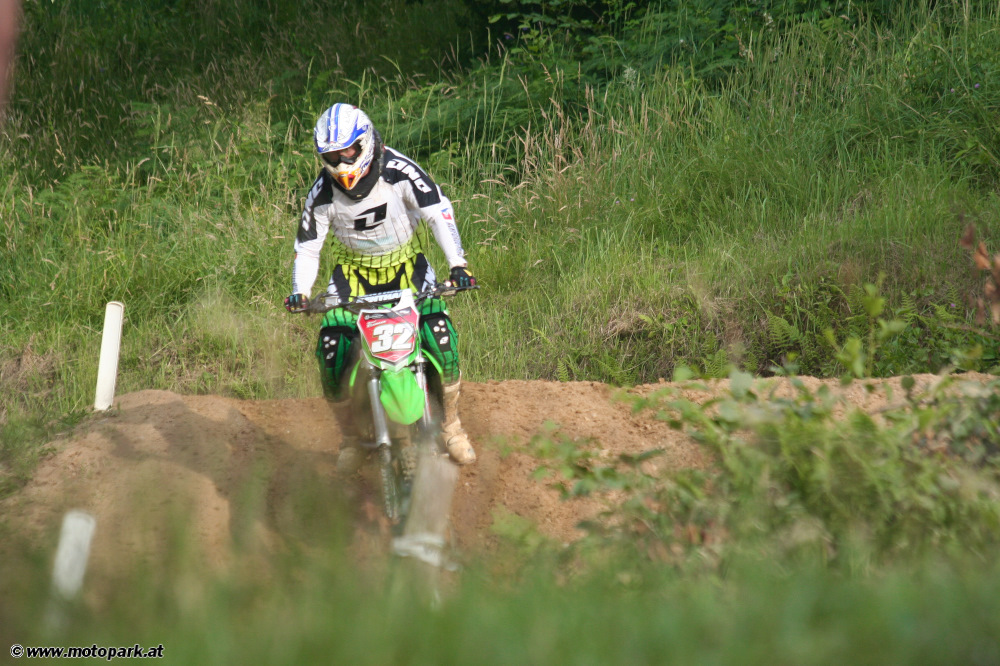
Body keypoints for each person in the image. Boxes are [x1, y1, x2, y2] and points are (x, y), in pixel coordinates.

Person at [285, 103, 477, 473]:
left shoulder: (400, 170)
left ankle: (452, 428)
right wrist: (301, 291)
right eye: (332, 155)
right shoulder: (321, 193)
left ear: (366, 142)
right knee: (332, 350)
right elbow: (307, 247)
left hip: (408, 268)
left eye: (348, 151)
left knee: (441, 337)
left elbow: (438, 212)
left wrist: (458, 264)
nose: (341, 162)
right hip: (352, 277)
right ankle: (351, 438)